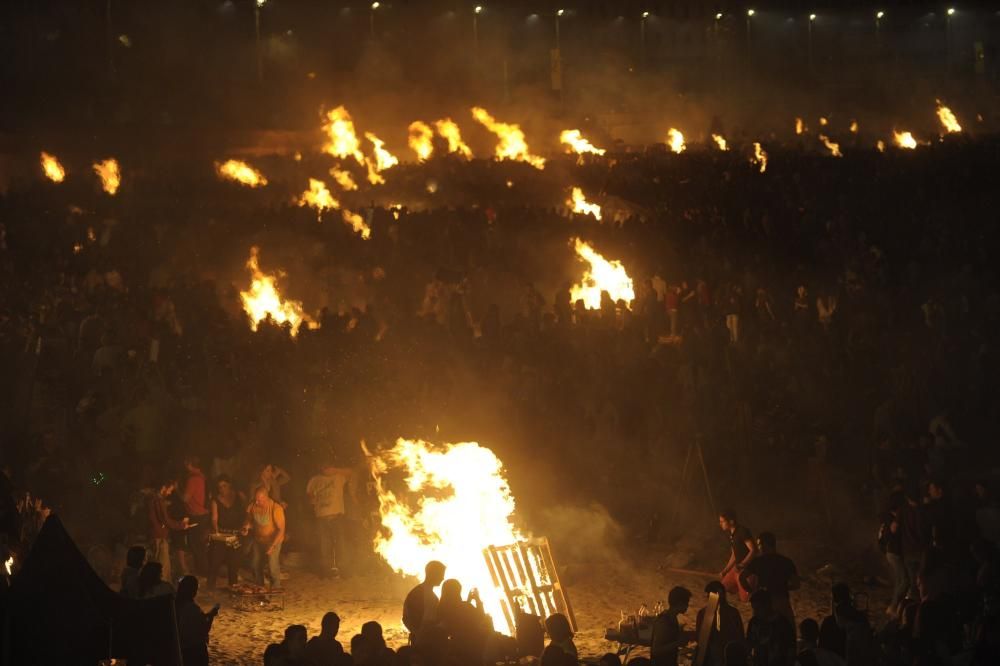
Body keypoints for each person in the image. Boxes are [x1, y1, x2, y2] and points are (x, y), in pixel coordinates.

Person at [739, 532, 800, 628]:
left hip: (764, 603)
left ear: (765, 545)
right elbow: (796, 584)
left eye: (759, 544)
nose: (758, 547)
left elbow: (741, 578)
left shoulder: (758, 562)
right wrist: (783, 587)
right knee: (786, 629)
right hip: (782, 600)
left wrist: (752, 591)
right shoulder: (786, 562)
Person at [306, 462, 353, 577]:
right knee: (324, 545)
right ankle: (326, 571)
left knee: (341, 545)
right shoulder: (315, 480)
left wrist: (336, 469)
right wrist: (312, 500)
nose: (325, 469)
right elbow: (309, 494)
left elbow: (351, 472)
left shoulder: (338, 477)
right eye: (323, 466)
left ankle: (343, 570)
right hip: (321, 518)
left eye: (327, 466)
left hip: (337, 517)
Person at [207, 474, 246, 589]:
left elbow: (246, 513)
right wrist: (216, 529)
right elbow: (214, 518)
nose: (222, 489)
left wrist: (244, 527)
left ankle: (233, 589)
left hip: (236, 535)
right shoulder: (215, 500)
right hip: (222, 535)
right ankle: (210, 588)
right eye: (219, 487)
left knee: (234, 564)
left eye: (224, 486)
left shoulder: (239, 496)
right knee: (215, 562)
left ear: (230, 485)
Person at [147, 477, 189, 584]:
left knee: (161, 565)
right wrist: (181, 525)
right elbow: (165, 520)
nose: (170, 493)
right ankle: (162, 589)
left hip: (159, 535)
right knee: (163, 566)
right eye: (170, 489)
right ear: (164, 487)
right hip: (159, 536)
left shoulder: (156, 499)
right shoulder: (157, 500)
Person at [437, 579, 489, 663]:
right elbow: (480, 617)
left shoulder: (441, 608)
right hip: (474, 646)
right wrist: (477, 600)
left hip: (456, 648)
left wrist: (468, 601)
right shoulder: (465, 606)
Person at [694, 581, 745, 666]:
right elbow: (699, 638)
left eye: (710, 595)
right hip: (709, 656)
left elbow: (739, 636)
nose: (708, 598)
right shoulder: (703, 614)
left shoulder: (732, 613)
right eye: (708, 596)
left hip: (729, 656)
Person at [245, 487, 286, 589]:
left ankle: (276, 588)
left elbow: (281, 530)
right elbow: (249, 521)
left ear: (266, 498)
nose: (257, 502)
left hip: (273, 541)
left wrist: (272, 546)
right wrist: (246, 527)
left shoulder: (276, 509)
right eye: (256, 499)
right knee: (255, 564)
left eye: (260, 500)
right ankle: (260, 587)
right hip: (258, 540)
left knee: (272, 566)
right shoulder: (253, 506)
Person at [175, 575, 219, 666]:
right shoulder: (191, 608)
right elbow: (204, 629)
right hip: (192, 651)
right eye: (196, 588)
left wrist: (207, 615)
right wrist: (211, 616)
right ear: (193, 590)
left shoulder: (175, 603)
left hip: (178, 648)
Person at [745, 590, 795, 666]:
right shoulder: (754, 622)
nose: (755, 612)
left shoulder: (782, 624)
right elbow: (749, 643)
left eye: (758, 608)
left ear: (767, 605)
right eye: (754, 608)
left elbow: (791, 649)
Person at [402, 560, 446, 642]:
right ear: (433, 574)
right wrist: (418, 634)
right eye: (441, 575)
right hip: (423, 641)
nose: (443, 578)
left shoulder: (431, 596)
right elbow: (406, 618)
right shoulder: (418, 594)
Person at [651, 586, 695, 666]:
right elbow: (656, 650)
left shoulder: (672, 617)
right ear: (679, 603)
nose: (688, 606)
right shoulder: (664, 621)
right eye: (686, 603)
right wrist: (678, 643)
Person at [719, 511, 756, 602]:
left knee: (747, 599)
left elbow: (753, 550)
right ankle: (709, 615)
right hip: (736, 569)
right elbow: (734, 555)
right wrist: (725, 570)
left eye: (722, 521)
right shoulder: (732, 534)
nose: (720, 524)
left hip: (747, 571)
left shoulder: (742, 531)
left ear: (731, 521)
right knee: (718, 589)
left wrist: (742, 564)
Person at [182, 456, 210, 574]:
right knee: (200, 545)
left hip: (197, 515)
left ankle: (203, 571)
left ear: (189, 464)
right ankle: (203, 570)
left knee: (196, 545)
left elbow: (185, 498)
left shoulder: (193, 479)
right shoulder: (203, 477)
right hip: (204, 514)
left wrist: (178, 490)